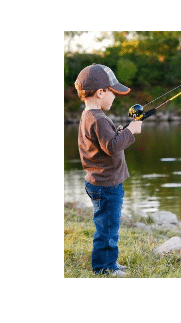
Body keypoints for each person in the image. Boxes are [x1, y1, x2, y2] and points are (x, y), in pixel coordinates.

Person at [74, 64, 142, 277]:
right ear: (101, 92)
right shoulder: (99, 118)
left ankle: (109, 262)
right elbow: (112, 147)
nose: (114, 96)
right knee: (108, 228)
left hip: (98, 181)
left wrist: (119, 132)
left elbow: (105, 142)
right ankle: (104, 268)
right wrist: (131, 130)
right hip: (107, 185)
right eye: (113, 92)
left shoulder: (89, 116)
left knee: (107, 224)